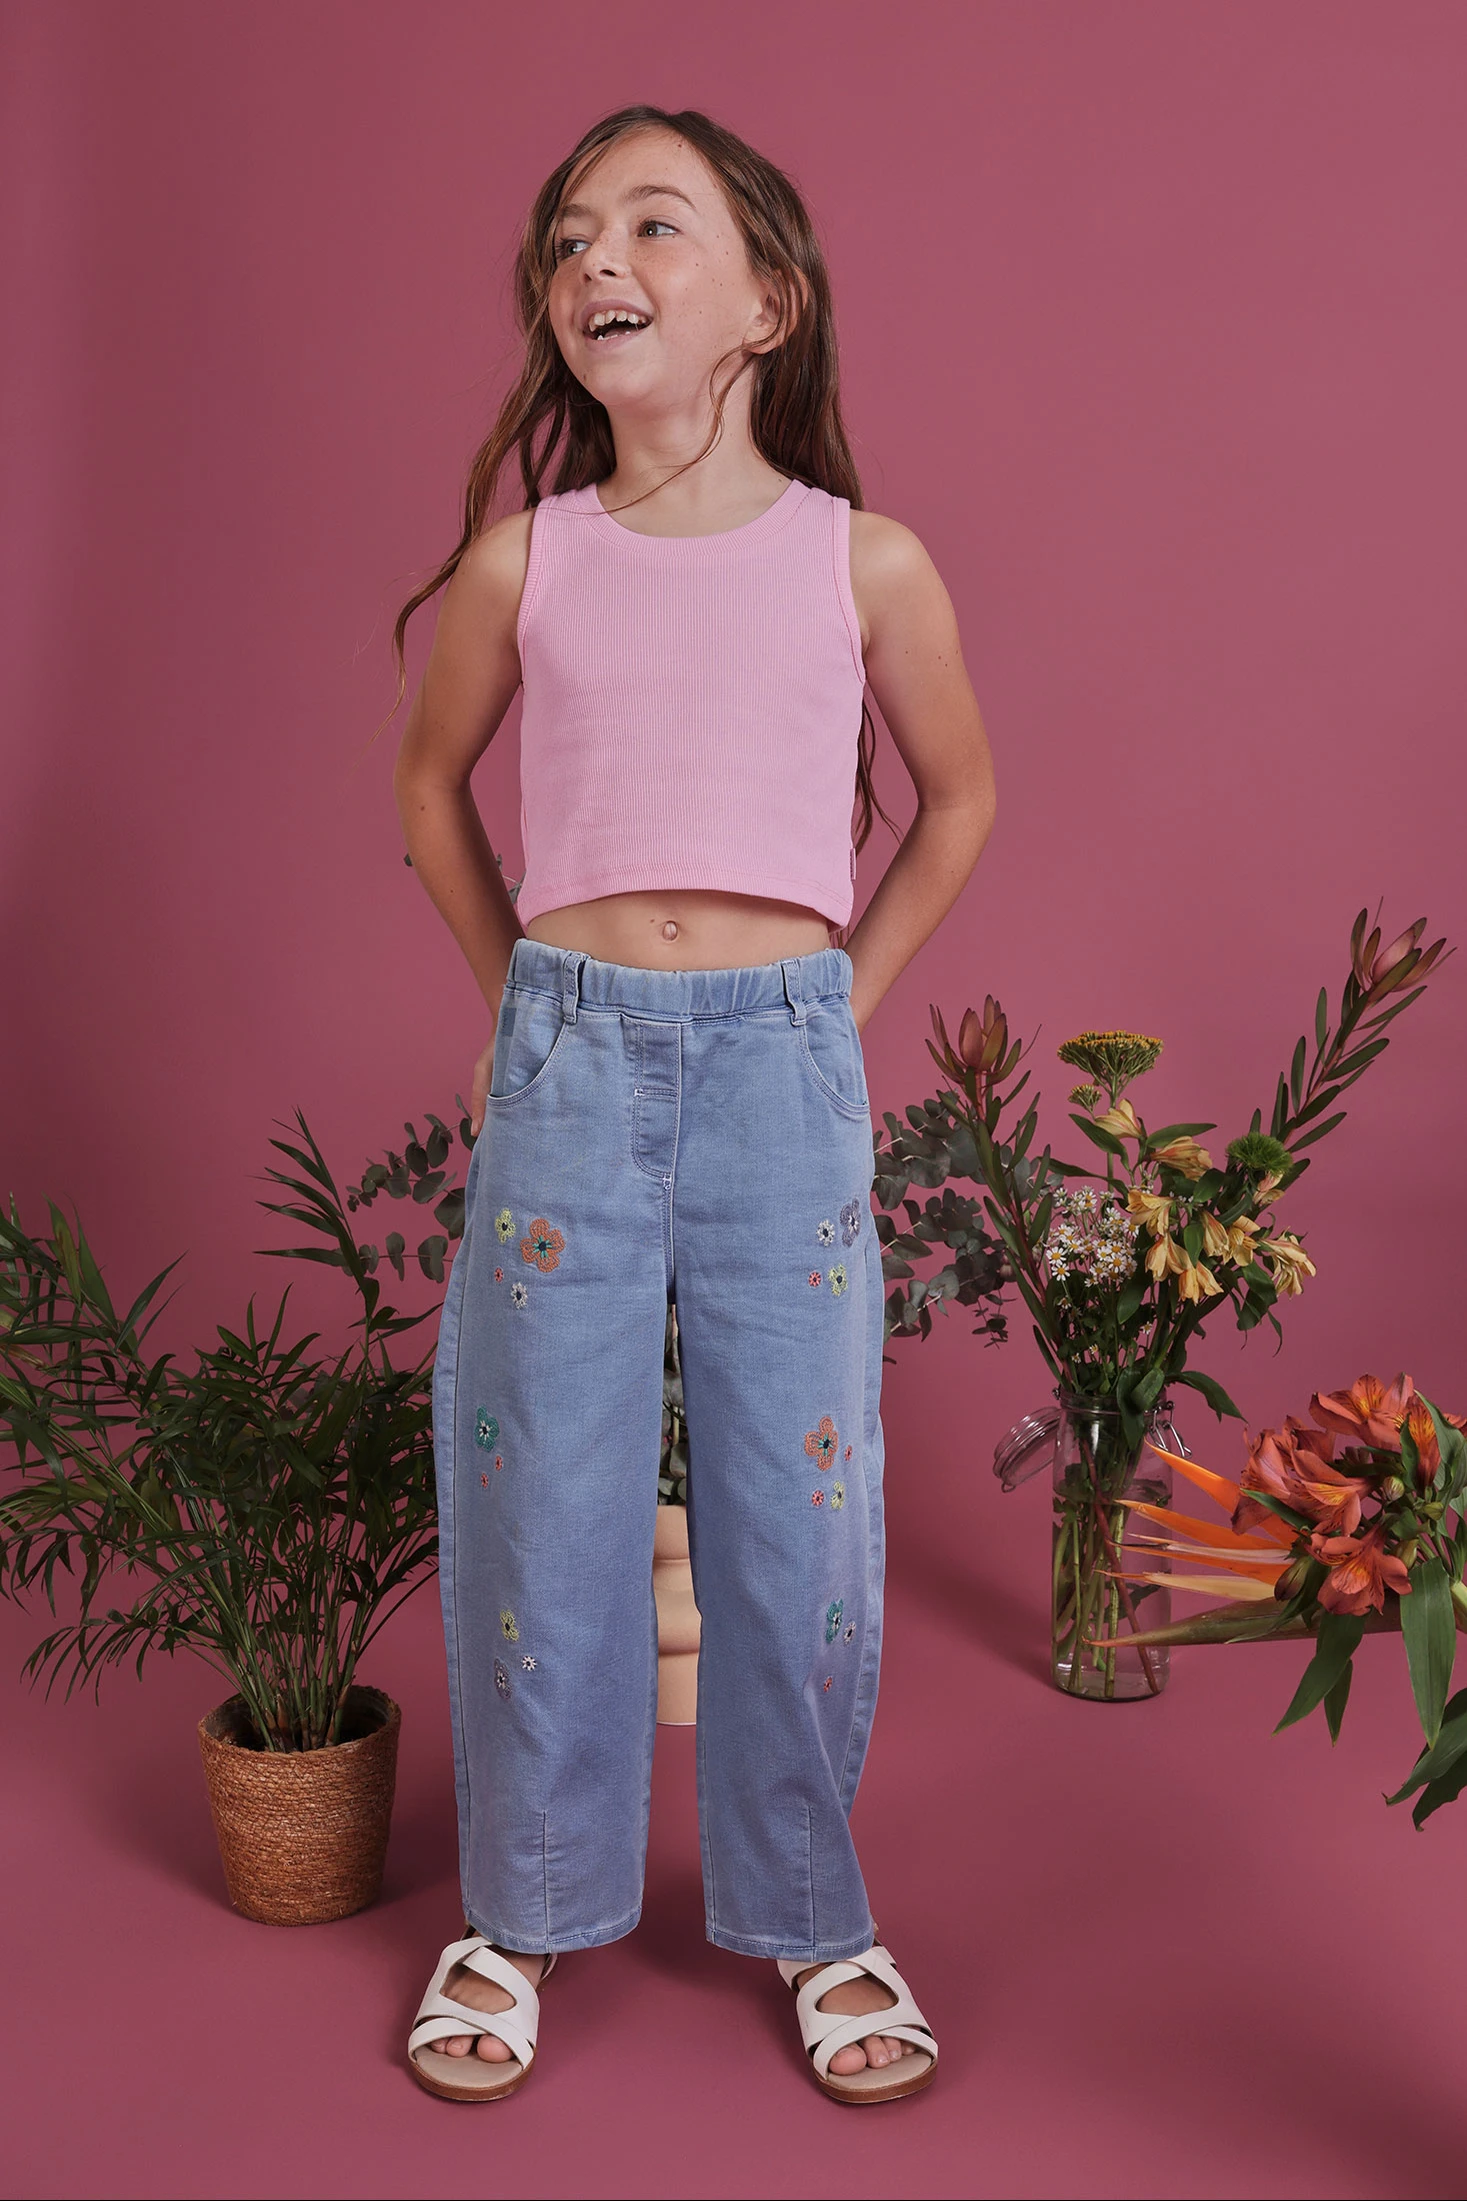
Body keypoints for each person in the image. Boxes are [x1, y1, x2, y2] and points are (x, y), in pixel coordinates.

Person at [392, 103, 994, 2106]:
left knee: (793, 1497)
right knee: (542, 1489)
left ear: (767, 302)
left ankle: (815, 1909)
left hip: (777, 1062)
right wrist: (528, 1002)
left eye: (652, 224)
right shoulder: (528, 562)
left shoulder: (861, 560)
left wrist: (831, 1007)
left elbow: (958, 800)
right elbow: (428, 793)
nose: (596, 261)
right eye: (569, 236)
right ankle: (521, 1903)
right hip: (573, 1053)